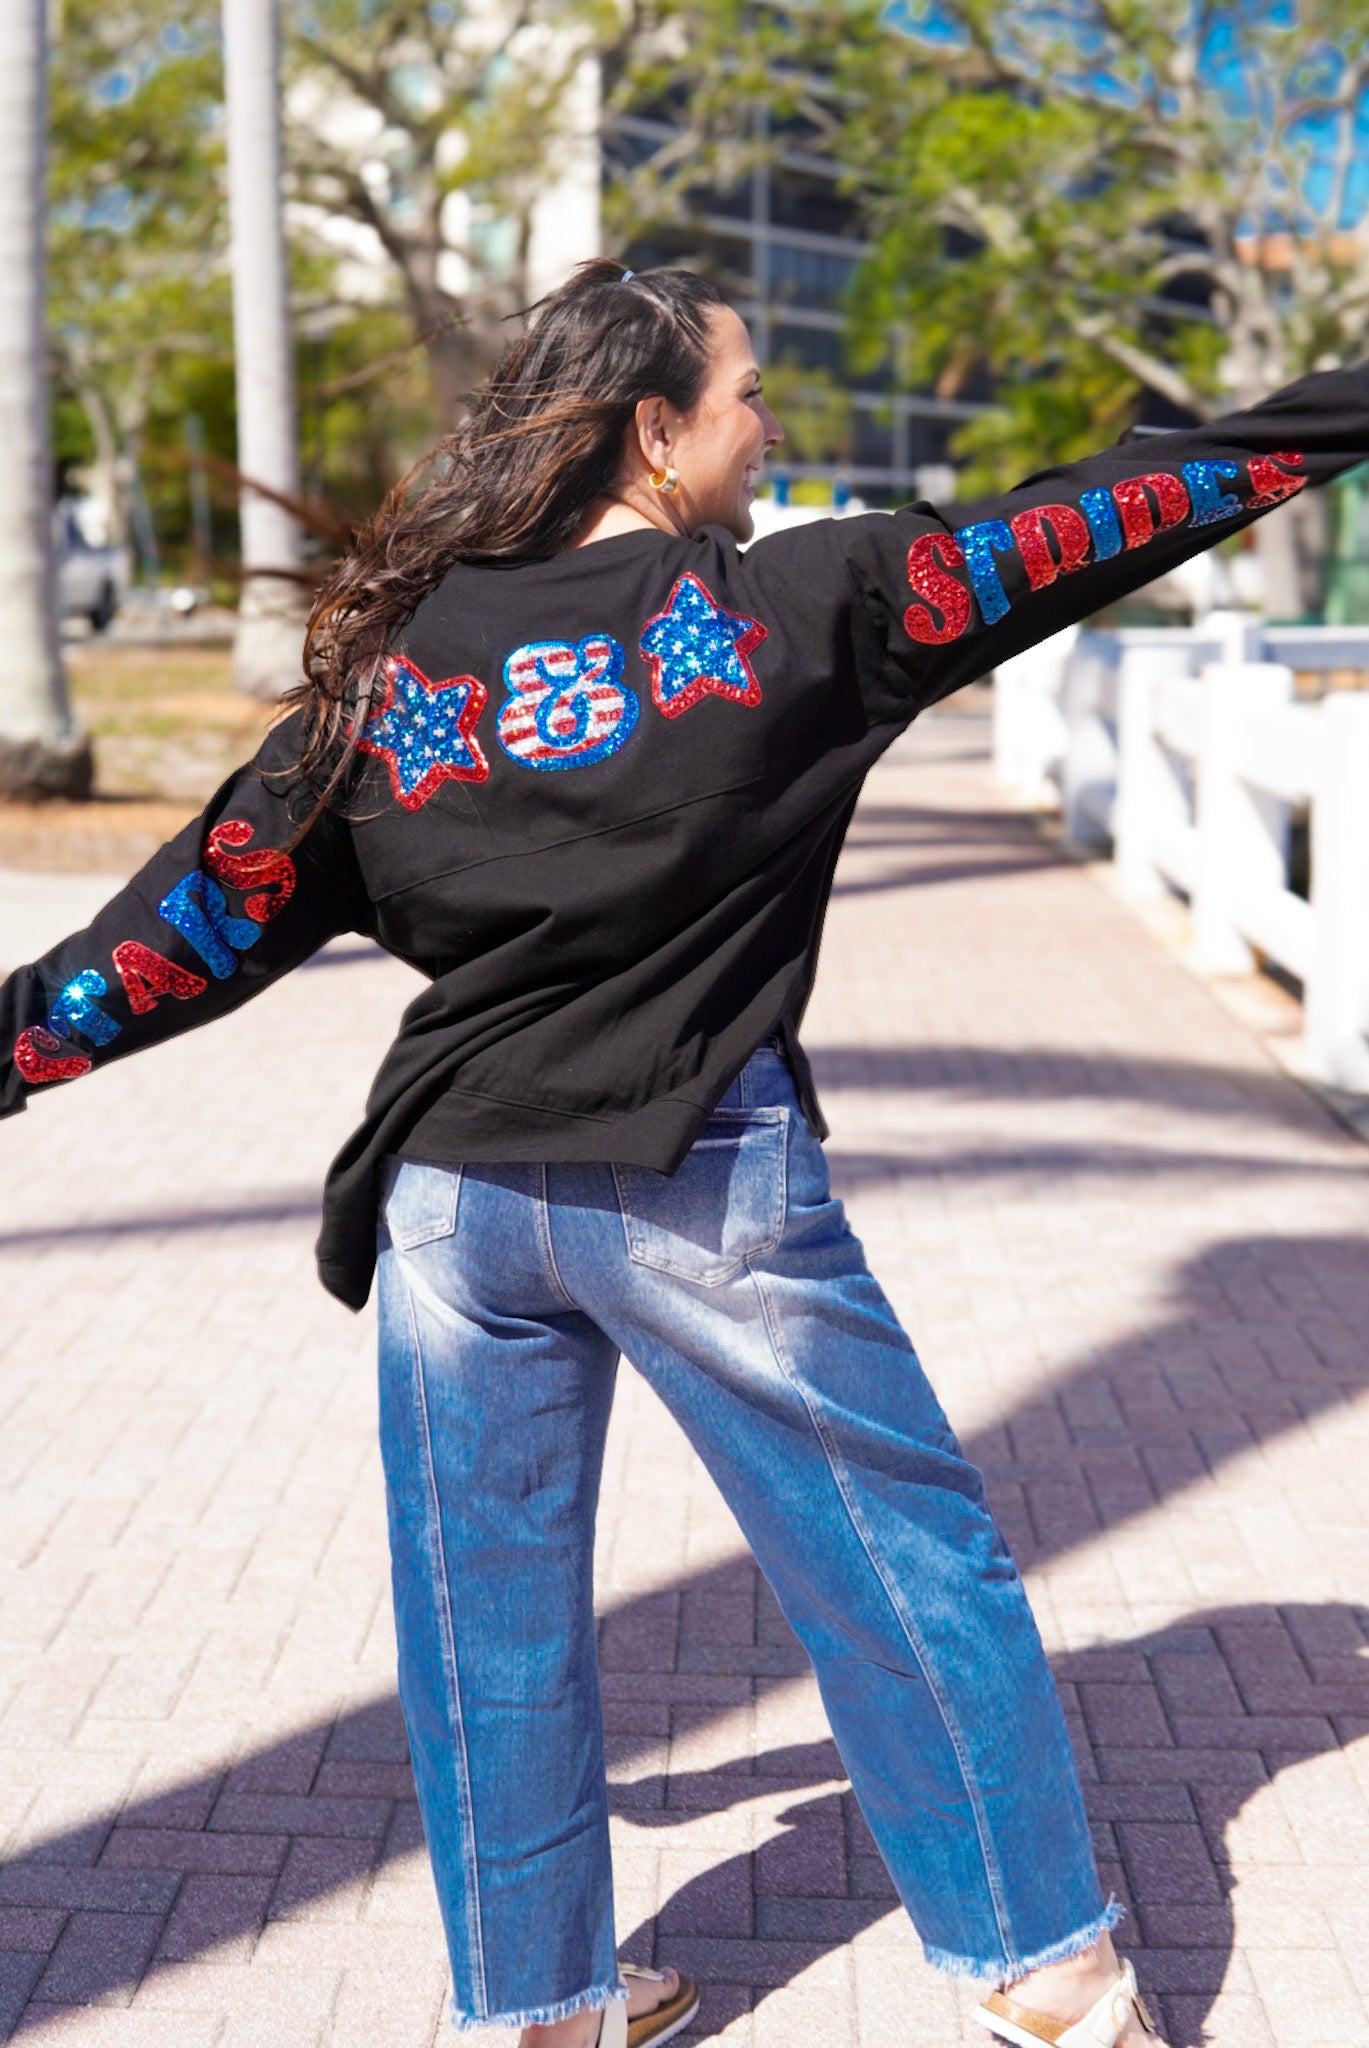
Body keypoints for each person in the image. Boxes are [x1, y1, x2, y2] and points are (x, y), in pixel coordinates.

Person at [4, 259, 1366, 2048]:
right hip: (696, 1179)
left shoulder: (392, 681)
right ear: (656, 434)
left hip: (453, 1208)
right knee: (902, 1571)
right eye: (744, 394)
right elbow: (1117, 509)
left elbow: (189, 925)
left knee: (487, 1622)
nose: (770, 424)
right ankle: (1044, 1975)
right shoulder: (807, 604)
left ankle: (540, 2010)